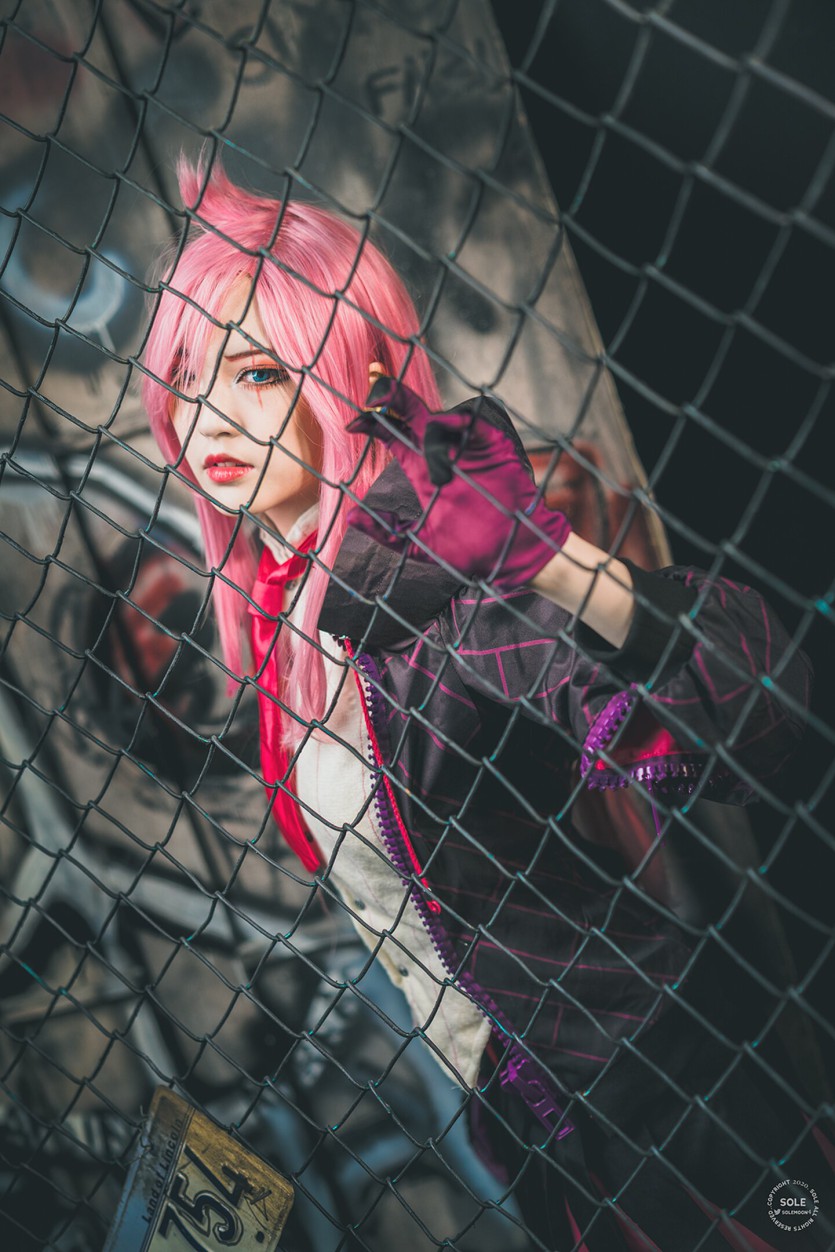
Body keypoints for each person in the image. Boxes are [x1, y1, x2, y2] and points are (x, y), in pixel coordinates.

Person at [143, 159, 831, 1250]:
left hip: (656, 1093)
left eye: (259, 373)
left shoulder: (436, 593)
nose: (208, 415)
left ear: (352, 379)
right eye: (187, 377)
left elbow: (753, 719)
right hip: (528, 1113)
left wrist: (549, 561)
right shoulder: (285, 613)